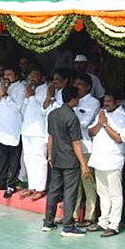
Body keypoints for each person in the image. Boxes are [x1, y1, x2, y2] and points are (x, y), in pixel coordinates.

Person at [43, 84, 89, 237]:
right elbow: (76, 142)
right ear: (74, 99)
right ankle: (68, 226)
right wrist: (84, 164)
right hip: (70, 160)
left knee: (53, 190)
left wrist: (50, 155)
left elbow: (51, 138)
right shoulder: (72, 117)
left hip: (56, 158)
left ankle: (48, 221)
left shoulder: (53, 114)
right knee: (70, 192)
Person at [88, 93, 125, 236]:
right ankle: (103, 221)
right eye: (104, 101)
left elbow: (119, 138)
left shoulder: (122, 117)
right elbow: (90, 132)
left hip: (113, 160)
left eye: (109, 101)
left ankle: (114, 224)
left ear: (117, 101)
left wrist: (105, 124)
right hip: (99, 160)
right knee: (102, 193)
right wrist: (100, 123)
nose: (106, 104)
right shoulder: (101, 113)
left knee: (115, 194)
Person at [0, 68, 25, 197]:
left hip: (14, 129)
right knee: (3, 158)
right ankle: (1, 182)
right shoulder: (3, 87)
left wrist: (6, 95)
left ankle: (11, 184)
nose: (6, 77)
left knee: (14, 160)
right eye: (5, 75)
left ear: (16, 75)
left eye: (9, 74)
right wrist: (0, 92)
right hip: (1, 128)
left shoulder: (21, 88)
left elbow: (18, 107)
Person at [18, 68, 52, 200]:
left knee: (39, 159)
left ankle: (40, 188)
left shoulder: (46, 89)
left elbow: (43, 110)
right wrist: (27, 97)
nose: (32, 79)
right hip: (26, 130)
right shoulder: (29, 90)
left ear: (42, 78)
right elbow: (22, 110)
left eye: (35, 76)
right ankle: (31, 186)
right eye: (30, 76)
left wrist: (31, 96)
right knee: (28, 158)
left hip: (39, 130)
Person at [72, 75, 101, 226]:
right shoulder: (73, 101)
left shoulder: (93, 102)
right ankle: (74, 215)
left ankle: (90, 216)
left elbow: (84, 123)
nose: (76, 87)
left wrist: (73, 108)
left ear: (88, 87)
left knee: (88, 182)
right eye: (75, 84)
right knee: (74, 183)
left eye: (80, 84)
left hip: (87, 147)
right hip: (73, 146)